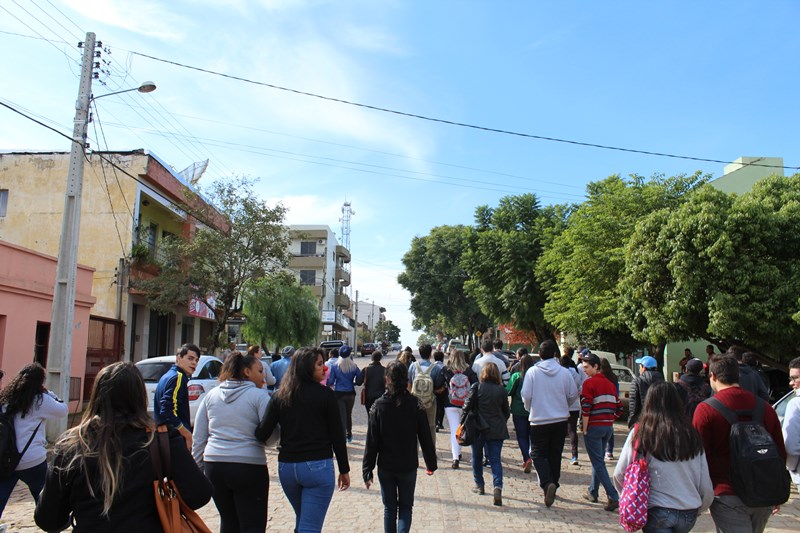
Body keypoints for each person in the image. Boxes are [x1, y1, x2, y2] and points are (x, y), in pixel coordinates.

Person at [35, 362, 212, 532]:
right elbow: (199, 495)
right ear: (140, 397)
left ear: (96, 396)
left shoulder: (71, 445)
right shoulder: (160, 440)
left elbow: (48, 520)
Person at [255, 347, 350, 533]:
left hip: (287, 468)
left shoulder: (279, 396)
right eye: (320, 364)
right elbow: (337, 436)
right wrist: (344, 469)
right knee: (309, 526)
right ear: (307, 367)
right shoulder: (326, 395)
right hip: (317, 467)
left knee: (304, 521)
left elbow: (262, 433)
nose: (324, 368)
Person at [692, 354, 786, 533]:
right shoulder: (765, 408)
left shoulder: (705, 410)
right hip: (763, 490)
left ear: (713, 376)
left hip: (726, 493)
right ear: (738, 376)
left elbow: (698, 454)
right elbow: (780, 451)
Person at [613, 382, 714, 532]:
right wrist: (702, 506)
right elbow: (704, 479)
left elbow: (619, 474)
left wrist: (630, 498)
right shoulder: (691, 434)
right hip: (689, 512)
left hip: (657, 510)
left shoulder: (642, 432)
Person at [192, 351, 271, 533]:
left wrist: (198, 467)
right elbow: (271, 434)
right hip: (249, 466)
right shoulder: (259, 397)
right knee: (253, 525)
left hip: (214, 465)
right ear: (246, 372)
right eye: (260, 371)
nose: (264, 376)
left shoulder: (211, 395)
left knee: (228, 522)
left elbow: (199, 436)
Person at [363, 361, 437, 533]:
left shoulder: (378, 406)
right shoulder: (416, 404)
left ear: (387, 379)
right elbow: (426, 437)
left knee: (389, 508)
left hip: (386, 466)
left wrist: (367, 469)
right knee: (405, 507)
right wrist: (431, 463)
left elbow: (372, 441)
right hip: (407, 465)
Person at [0, 363, 67, 517]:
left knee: (1, 496)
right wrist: (49, 393)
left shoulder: (6, 398)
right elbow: (63, 410)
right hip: (32, 459)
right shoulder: (40, 400)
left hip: (7, 459)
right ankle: (50, 522)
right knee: (45, 498)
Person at [520, 339, 578, 508]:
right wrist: (563, 405)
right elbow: (573, 394)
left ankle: (547, 482)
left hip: (539, 420)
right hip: (560, 420)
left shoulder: (532, 372)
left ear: (539, 354)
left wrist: (530, 408)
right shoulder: (565, 373)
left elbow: (526, 395)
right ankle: (553, 483)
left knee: (537, 454)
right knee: (555, 454)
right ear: (555, 354)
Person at [462, 363, 509, 506]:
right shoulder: (501, 390)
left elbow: (467, 406)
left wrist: (462, 422)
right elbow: (506, 412)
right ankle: (497, 486)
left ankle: (479, 484)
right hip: (496, 429)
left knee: (476, 457)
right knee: (495, 459)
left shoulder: (477, 387)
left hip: (478, 428)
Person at [580, 352, 622, 512]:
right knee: (598, 460)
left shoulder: (589, 383)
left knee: (598, 462)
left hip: (594, 427)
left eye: (586, 367)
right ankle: (593, 491)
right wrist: (609, 419)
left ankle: (613, 496)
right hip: (607, 427)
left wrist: (584, 428)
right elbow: (619, 408)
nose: (584, 370)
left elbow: (586, 408)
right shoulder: (610, 384)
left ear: (596, 366)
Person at [154, 342, 200, 450]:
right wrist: (187, 435)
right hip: (173, 438)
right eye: (190, 358)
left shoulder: (168, 375)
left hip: (164, 437)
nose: (194, 363)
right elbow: (167, 410)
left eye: (196, 360)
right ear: (179, 358)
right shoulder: (178, 377)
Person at [440, 348, 478, 469]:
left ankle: (455, 457)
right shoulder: (469, 370)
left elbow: (439, 384)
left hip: (450, 404)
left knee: (454, 429)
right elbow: (475, 385)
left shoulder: (446, 370)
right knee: (463, 428)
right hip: (465, 404)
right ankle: (461, 451)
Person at [408, 344, 444, 442]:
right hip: (430, 401)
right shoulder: (435, 368)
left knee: (414, 426)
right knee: (431, 426)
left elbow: (409, 384)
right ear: (430, 354)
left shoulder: (413, 366)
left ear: (420, 353)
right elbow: (437, 387)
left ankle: (414, 449)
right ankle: (430, 448)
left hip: (415, 401)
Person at [327, 345, 362, 443]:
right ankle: (349, 434)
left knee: (341, 416)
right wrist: (354, 382)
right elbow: (359, 378)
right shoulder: (353, 366)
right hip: (350, 393)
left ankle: (342, 438)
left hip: (339, 393)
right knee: (348, 414)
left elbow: (331, 381)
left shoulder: (335, 366)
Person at [506, 354, 534, 473]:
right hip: (533, 410)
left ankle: (526, 458)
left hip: (518, 410)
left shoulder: (517, 376)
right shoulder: (535, 376)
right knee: (532, 435)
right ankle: (532, 455)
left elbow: (508, 391)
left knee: (522, 436)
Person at [559, 355, 584, 465]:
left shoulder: (559, 373)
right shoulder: (575, 373)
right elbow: (579, 387)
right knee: (572, 431)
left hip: (561, 406)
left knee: (559, 431)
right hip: (574, 406)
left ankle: (558, 452)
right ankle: (574, 456)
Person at [628, 354, 664, 428]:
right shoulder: (663, 383)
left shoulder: (637, 382)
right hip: (660, 423)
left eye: (640, 366)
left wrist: (631, 423)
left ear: (643, 368)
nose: (639, 369)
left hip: (642, 422)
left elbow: (633, 406)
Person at [783, 356, 800, 494]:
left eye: (795, 378)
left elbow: (791, 446)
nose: (791, 383)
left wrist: (792, 469)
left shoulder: (795, 404)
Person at [599, 358, 619, 460]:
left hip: (601, 403)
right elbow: (617, 391)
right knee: (610, 426)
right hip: (611, 403)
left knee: (599, 426)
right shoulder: (613, 377)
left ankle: (601, 450)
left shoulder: (599, 377)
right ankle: (609, 451)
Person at [433, 350, 446, 432]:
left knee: (435, 406)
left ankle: (435, 423)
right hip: (443, 389)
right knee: (441, 407)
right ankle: (440, 423)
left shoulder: (432, 367)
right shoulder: (445, 367)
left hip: (434, 390)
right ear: (442, 358)